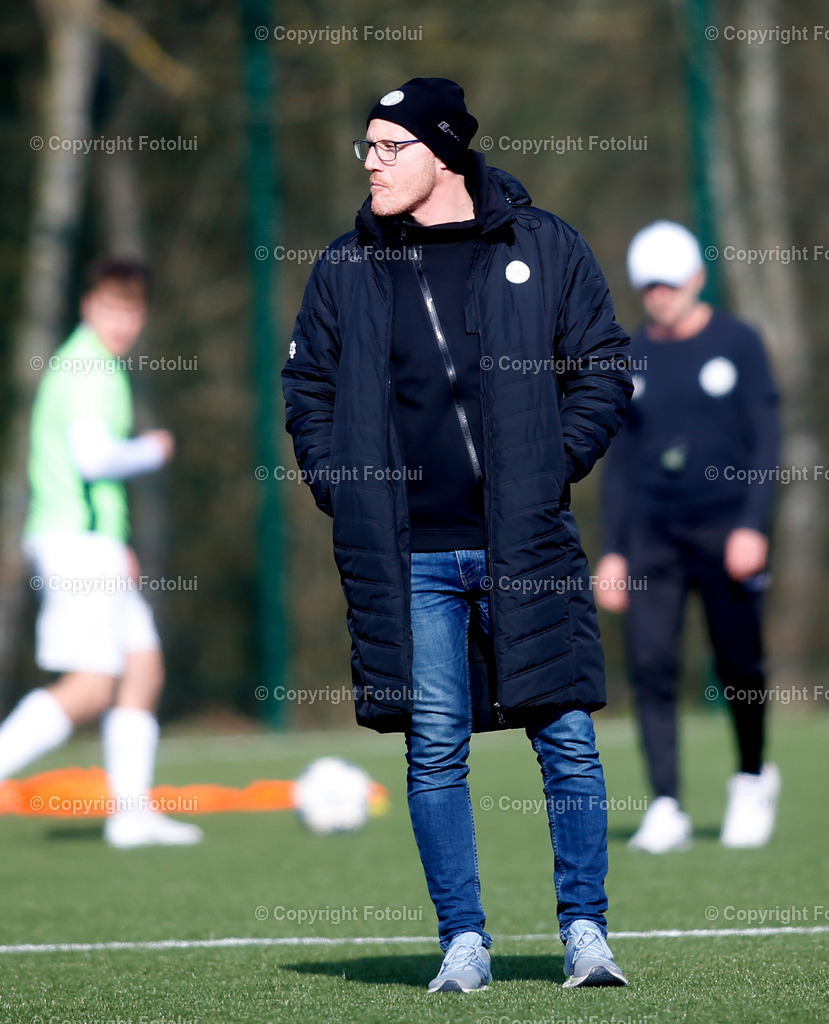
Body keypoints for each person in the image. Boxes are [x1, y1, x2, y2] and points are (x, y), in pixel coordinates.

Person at [283, 78, 631, 992]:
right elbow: (307, 392)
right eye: (365, 147)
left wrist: (554, 464)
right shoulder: (343, 268)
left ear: (443, 152)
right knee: (434, 745)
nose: (370, 162)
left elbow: (602, 366)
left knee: (565, 736)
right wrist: (339, 484)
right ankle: (462, 943)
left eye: (389, 147)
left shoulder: (542, 244)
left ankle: (586, 933)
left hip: (530, 544)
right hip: (411, 556)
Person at [0, 257, 202, 849]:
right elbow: (94, 460)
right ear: (89, 306)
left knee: (142, 665)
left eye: (132, 311)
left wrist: (117, 544)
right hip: (75, 546)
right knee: (90, 686)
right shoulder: (90, 367)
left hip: (93, 544)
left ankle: (130, 815)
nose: (122, 322)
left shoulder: (85, 362)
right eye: (112, 308)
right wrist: (153, 449)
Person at [594, 220, 781, 854]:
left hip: (727, 531)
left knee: (739, 663)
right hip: (652, 536)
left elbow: (767, 437)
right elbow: (619, 460)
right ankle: (667, 803)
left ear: (697, 280)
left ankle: (753, 778)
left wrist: (753, 527)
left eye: (670, 284)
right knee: (650, 666)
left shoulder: (739, 343)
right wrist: (614, 550)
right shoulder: (630, 357)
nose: (660, 297)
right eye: (649, 287)